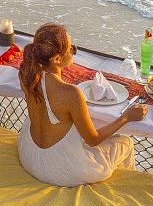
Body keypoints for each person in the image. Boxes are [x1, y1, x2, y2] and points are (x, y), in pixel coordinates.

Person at [16, 23, 145, 185]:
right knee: (126, 143)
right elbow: (93, 139)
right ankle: (122, 189)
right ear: (57, 59)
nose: (73, 51)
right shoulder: (71, 93)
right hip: (57, 170)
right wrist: (126, 117)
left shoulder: (27, 75)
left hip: (30, 155)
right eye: (71, 49)